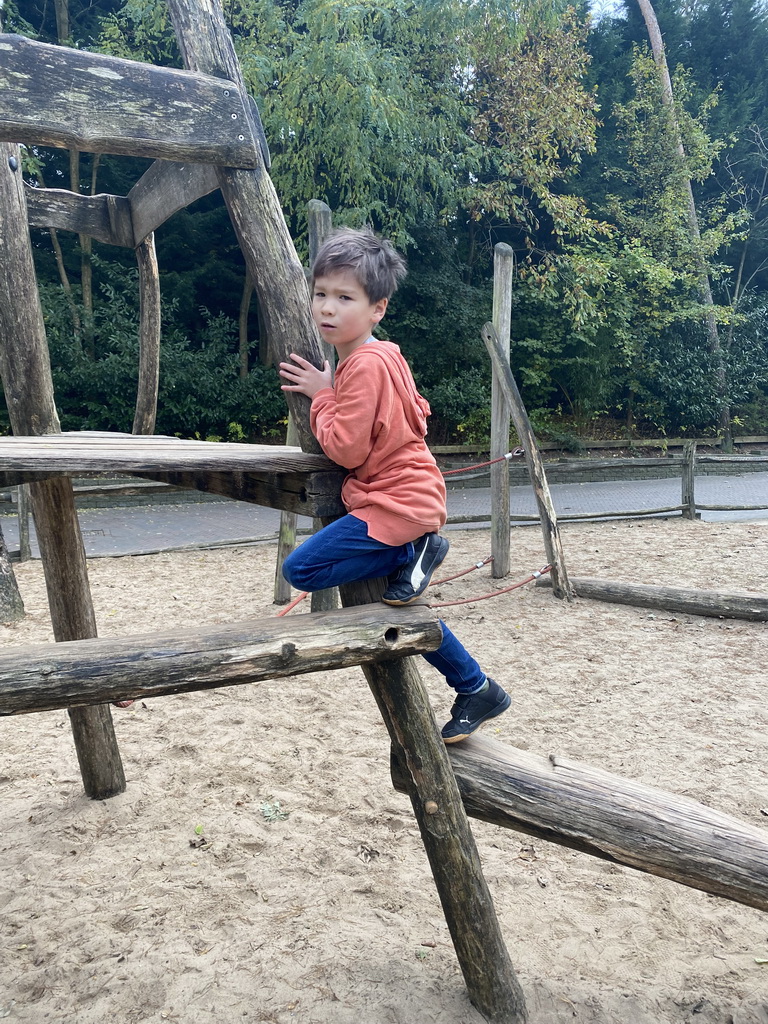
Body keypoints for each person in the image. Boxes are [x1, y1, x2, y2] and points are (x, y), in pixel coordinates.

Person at [278, 228, 510, 743]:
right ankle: (477, 686)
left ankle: (413, 552)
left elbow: (347, 449)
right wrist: (331, 386)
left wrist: (321, 397)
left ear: (377, 308)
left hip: (397, 503)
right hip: (411, 495)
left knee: (303, 567)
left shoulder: (361, 365)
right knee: (399, 611)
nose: (327, 309)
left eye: (345, 298)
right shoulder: (381, 355)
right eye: (320, 294)